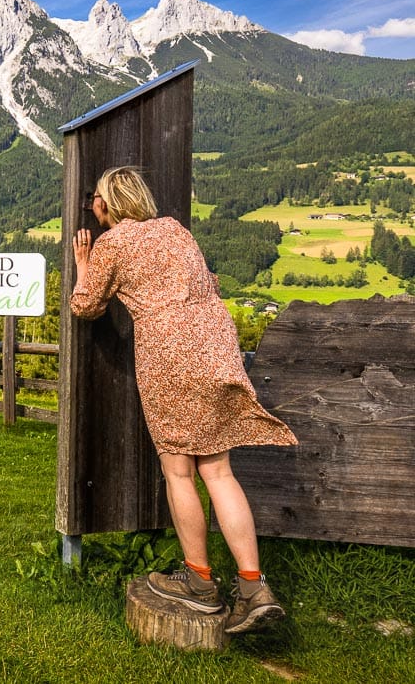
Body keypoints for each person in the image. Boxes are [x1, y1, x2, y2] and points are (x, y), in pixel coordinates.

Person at [70, 166, 298, 634]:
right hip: (215, 344)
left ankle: (198, 580)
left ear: (107, 204)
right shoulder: (174, 230)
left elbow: (85, 306)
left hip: (170, 353)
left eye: (95, 198)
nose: (93, 205)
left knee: (179, 470)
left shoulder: (113, 242)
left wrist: (83, 265)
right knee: (219, 471)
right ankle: (254, 587)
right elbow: (210, 284)